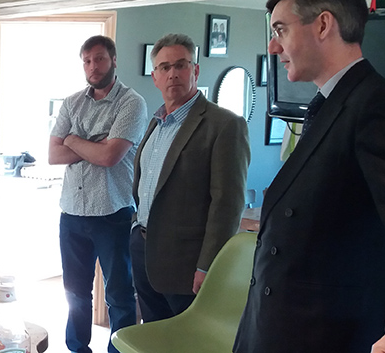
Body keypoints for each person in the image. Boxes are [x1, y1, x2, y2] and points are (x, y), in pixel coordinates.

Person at [234, 0, 385, 353]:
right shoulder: (328, 104)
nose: (273, 46)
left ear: (323, 24)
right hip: (280, 323)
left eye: (281, 29)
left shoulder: (377, 103)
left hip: (324, 331)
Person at [131, 33, 250, 323]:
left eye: (181, 65)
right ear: (155, 76)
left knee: (187, 340)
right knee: (153, 336)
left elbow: (228, 204)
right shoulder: (155, 123)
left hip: (186, 263)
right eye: (165, 67)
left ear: (195, 70)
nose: (173, 74)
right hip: (143, 249)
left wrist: (208, 266)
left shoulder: (224, 125)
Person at [49, 35, 147, 353]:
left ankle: (121, 350)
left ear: (114, 60)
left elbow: (110, 157)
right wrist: (94, 142)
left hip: (113, 212)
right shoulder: (71, 102)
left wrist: (74, 140)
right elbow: (53, 154)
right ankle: (78, 348)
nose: (93, 65)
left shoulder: (131, 102)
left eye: (100, 58)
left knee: (118, 293)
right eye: (87, 60)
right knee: (75, 293)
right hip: (72, 212)